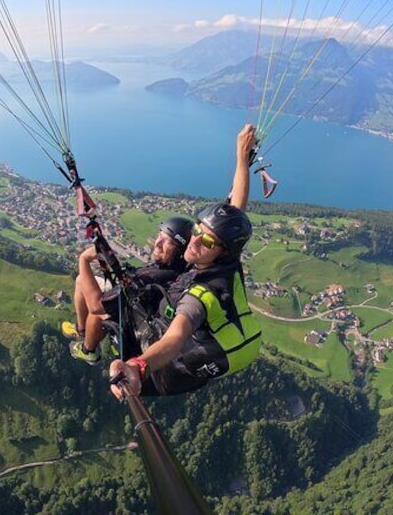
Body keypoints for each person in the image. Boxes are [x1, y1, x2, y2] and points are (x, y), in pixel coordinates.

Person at [108, 124, 261, 397]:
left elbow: (176, 337)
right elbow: (236, 208)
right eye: (197, 230)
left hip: (164, 374)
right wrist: (241, 157)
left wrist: (138, 366)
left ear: (222, 250)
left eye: (207, 241)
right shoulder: (226, 260)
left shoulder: (201, 296)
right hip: (199, 356)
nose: (195, 240)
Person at [63, 215, 193, 364]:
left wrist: (84, 260)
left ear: (180, 252)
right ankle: (82, 332)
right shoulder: (175, 269)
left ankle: (88, 350)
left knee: (98, 311)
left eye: (168, 242)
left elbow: (97, 306)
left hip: (130, 322)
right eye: (159, 236)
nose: (158, 243)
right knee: (81, 280)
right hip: (136, 308)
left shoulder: (155, 277)